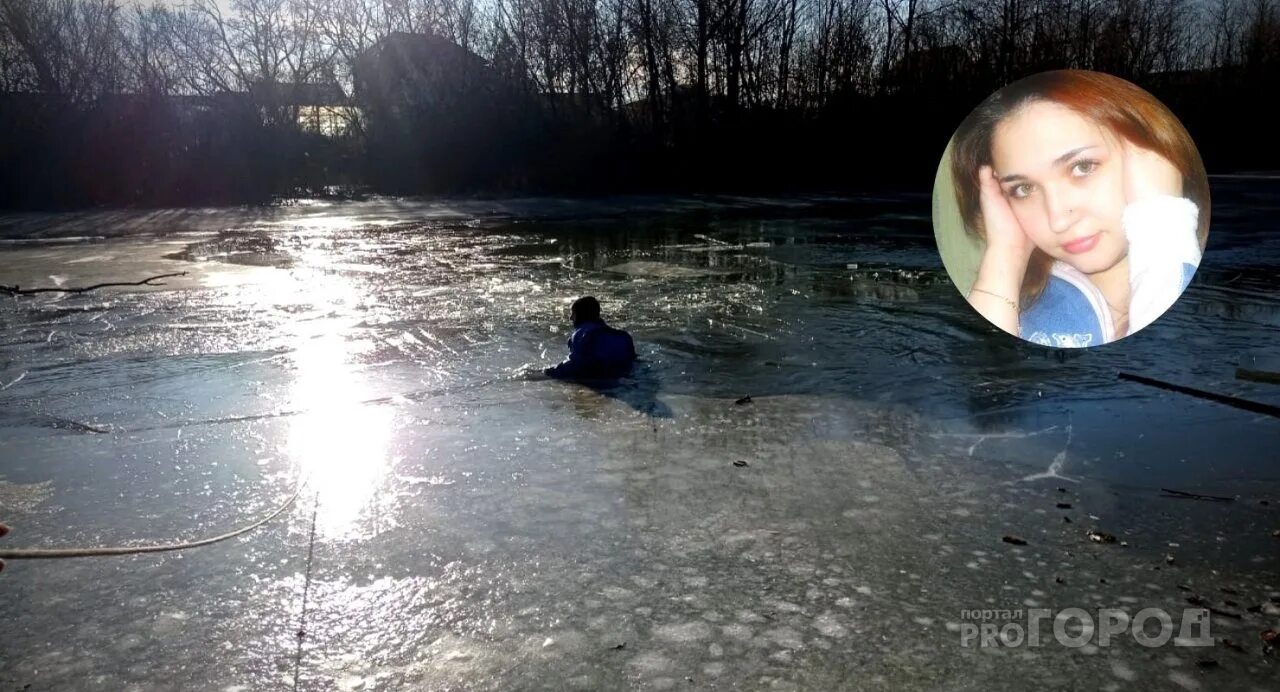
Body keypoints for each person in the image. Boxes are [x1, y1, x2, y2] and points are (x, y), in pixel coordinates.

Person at [949, 70, 1209, 347]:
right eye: (1023, 189)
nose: (1058, 219)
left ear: (1153, 156)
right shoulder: (1012, 311)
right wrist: (1005, 259)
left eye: (1082, 167)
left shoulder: (1225, 302)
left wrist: (1160, 222)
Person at [544, 296, 637, 379]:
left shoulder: (583, 335)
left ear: (579, 315)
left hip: (598, 381)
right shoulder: (624, 336)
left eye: (573, 313)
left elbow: (575, 365)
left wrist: (547, 372)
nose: (571, 318)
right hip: (622, 378)